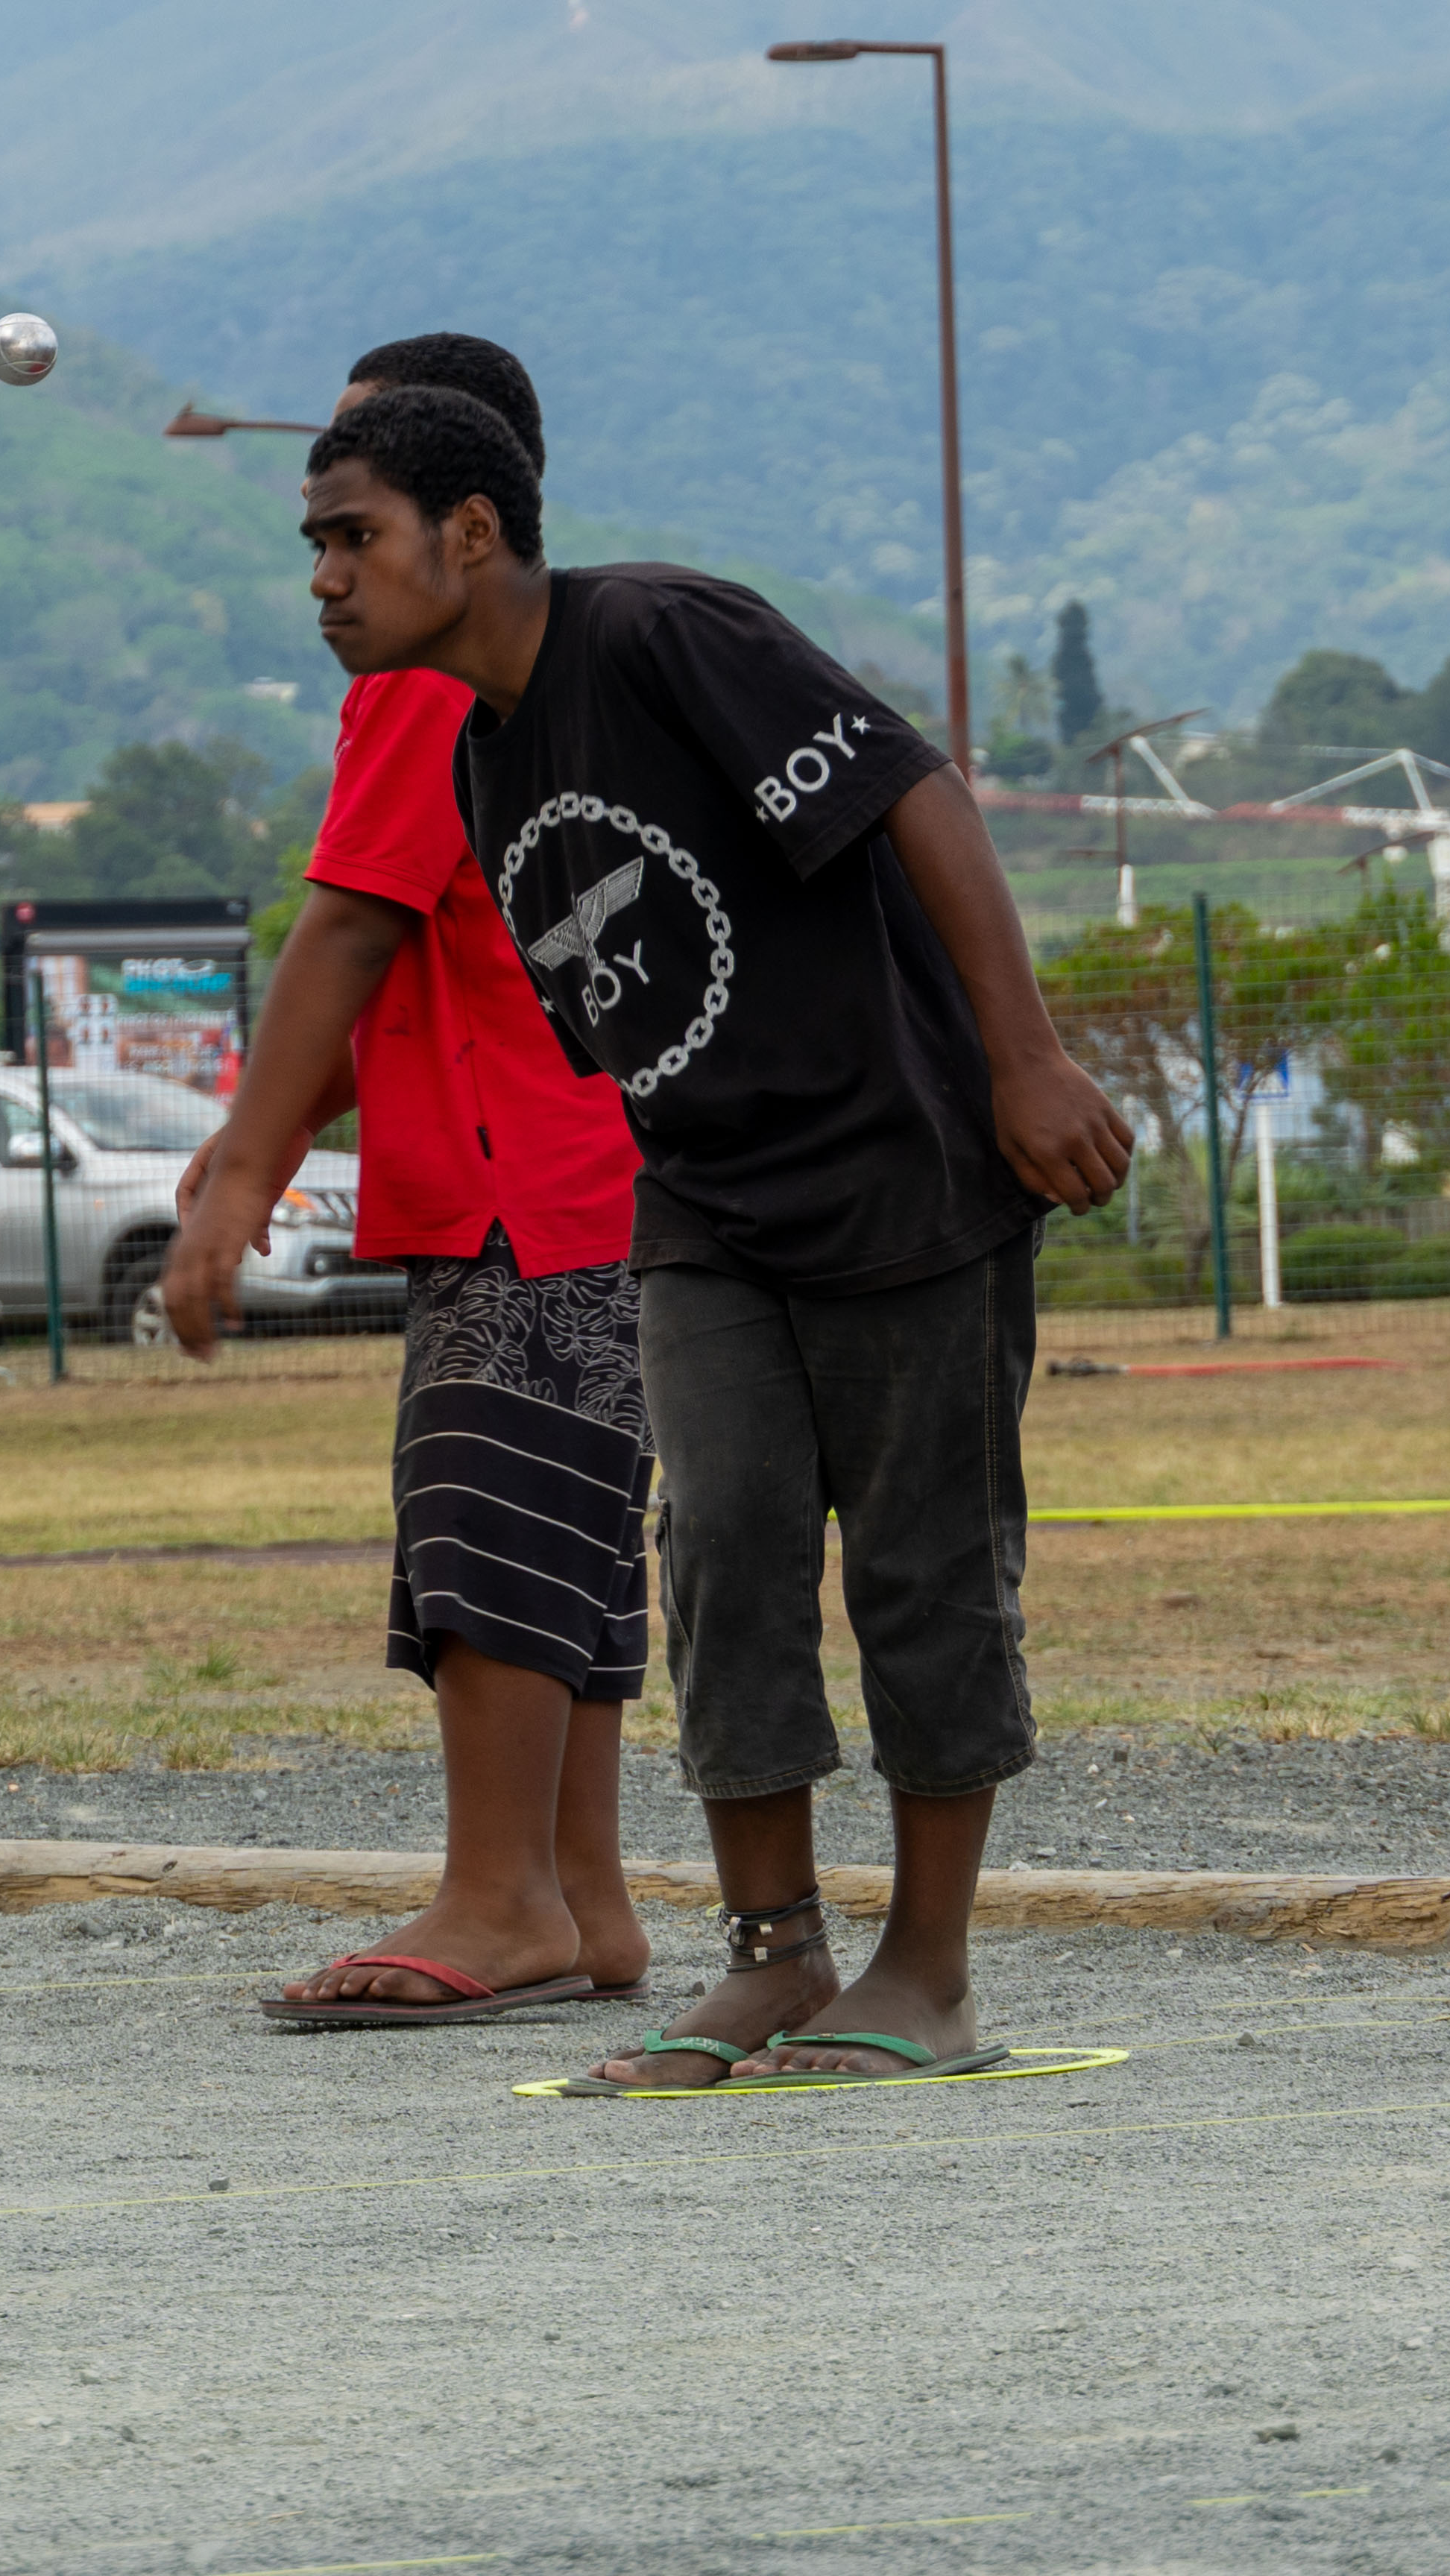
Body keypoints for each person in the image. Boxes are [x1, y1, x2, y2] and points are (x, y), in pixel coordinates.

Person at [291, 387, 1131, 2089]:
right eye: (313, 546)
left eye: (350, 536)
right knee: (727, 1552)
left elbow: (919, 796)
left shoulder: (665, 630)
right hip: (704, 1202)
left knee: (921, 1573)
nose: (323, 580)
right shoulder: (477, 745)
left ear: (469, 532)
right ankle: (774, 1955)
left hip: (904, 1170)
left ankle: (932, 1969)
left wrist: (1024, 1058)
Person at [168, 335, 663, 2028]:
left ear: (468, 516)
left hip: (517, 1179)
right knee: (579, 1544)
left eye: (357, 490)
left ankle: (497, 1896)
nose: (327, 558)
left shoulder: (423, 681)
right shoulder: (571, 663)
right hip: (618, 1173)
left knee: (488, 1520)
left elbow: (355, 918)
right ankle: (584, 1897)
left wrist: (246, 1170)